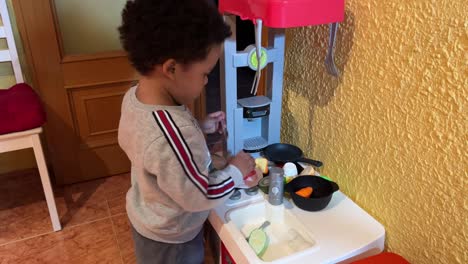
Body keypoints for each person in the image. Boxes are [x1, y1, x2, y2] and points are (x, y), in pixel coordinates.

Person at [117, 0, 259, 263]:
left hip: (148, 218)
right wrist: (236, 171)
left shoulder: (135, 98)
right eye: (205, 73)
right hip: (172, 239)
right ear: (171, 69)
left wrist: (200, 129)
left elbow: (156, 148)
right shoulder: (172, 134)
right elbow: (200, 194)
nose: (206, 81)